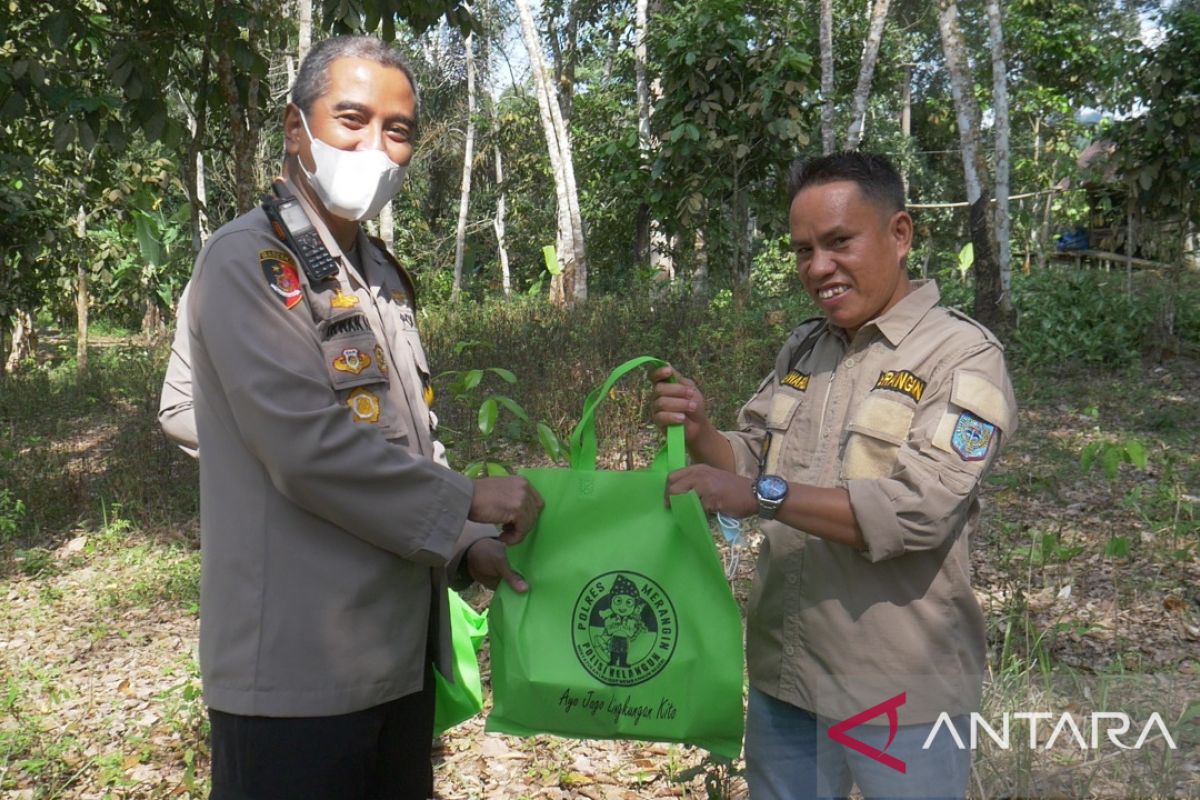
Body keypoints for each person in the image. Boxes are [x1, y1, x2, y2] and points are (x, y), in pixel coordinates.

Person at [171, 35, 543, 800]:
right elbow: (304, 445)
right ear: (294, 128)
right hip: (295, 666)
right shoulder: (247, 262)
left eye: (398, 129)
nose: (375, 146)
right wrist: (467, 499)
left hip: (394, 653)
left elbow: (408, 441)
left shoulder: (377, 275)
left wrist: (469, 544)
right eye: (351, 119)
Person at [651, 152, 1016, 799]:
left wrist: (764, 496)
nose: (818, 268)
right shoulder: (806, 347)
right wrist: (703, 431)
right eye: (803, 250)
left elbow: (918, 509)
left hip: (901, 692)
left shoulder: (961, 355)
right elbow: (754, 456)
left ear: (899, 234)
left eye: (839, 242)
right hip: (787, 676)